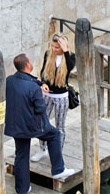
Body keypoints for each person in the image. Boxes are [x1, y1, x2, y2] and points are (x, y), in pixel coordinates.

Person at [5, 53, 74, 194]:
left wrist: (40, 84)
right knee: (54, 134)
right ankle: (58, 169)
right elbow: (40, 108)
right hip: (32, 125)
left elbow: (26, 82)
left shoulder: (9, 80)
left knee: (21, 155)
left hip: (16, 125)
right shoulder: (33, 88)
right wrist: (40, 94)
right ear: (27, 65)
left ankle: (22, 189)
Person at [31, 33, 76, 162]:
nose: (55, 50)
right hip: (48, 94)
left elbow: (70, 67)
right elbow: (43, 71)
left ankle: (57, 154)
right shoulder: (48, 54)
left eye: (58, 47)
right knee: (42, 122)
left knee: (60, 126)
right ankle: (43, 150)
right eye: (53, 47)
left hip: (61, 95)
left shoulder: (70, 57)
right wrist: (43, 83)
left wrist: (66, 51)